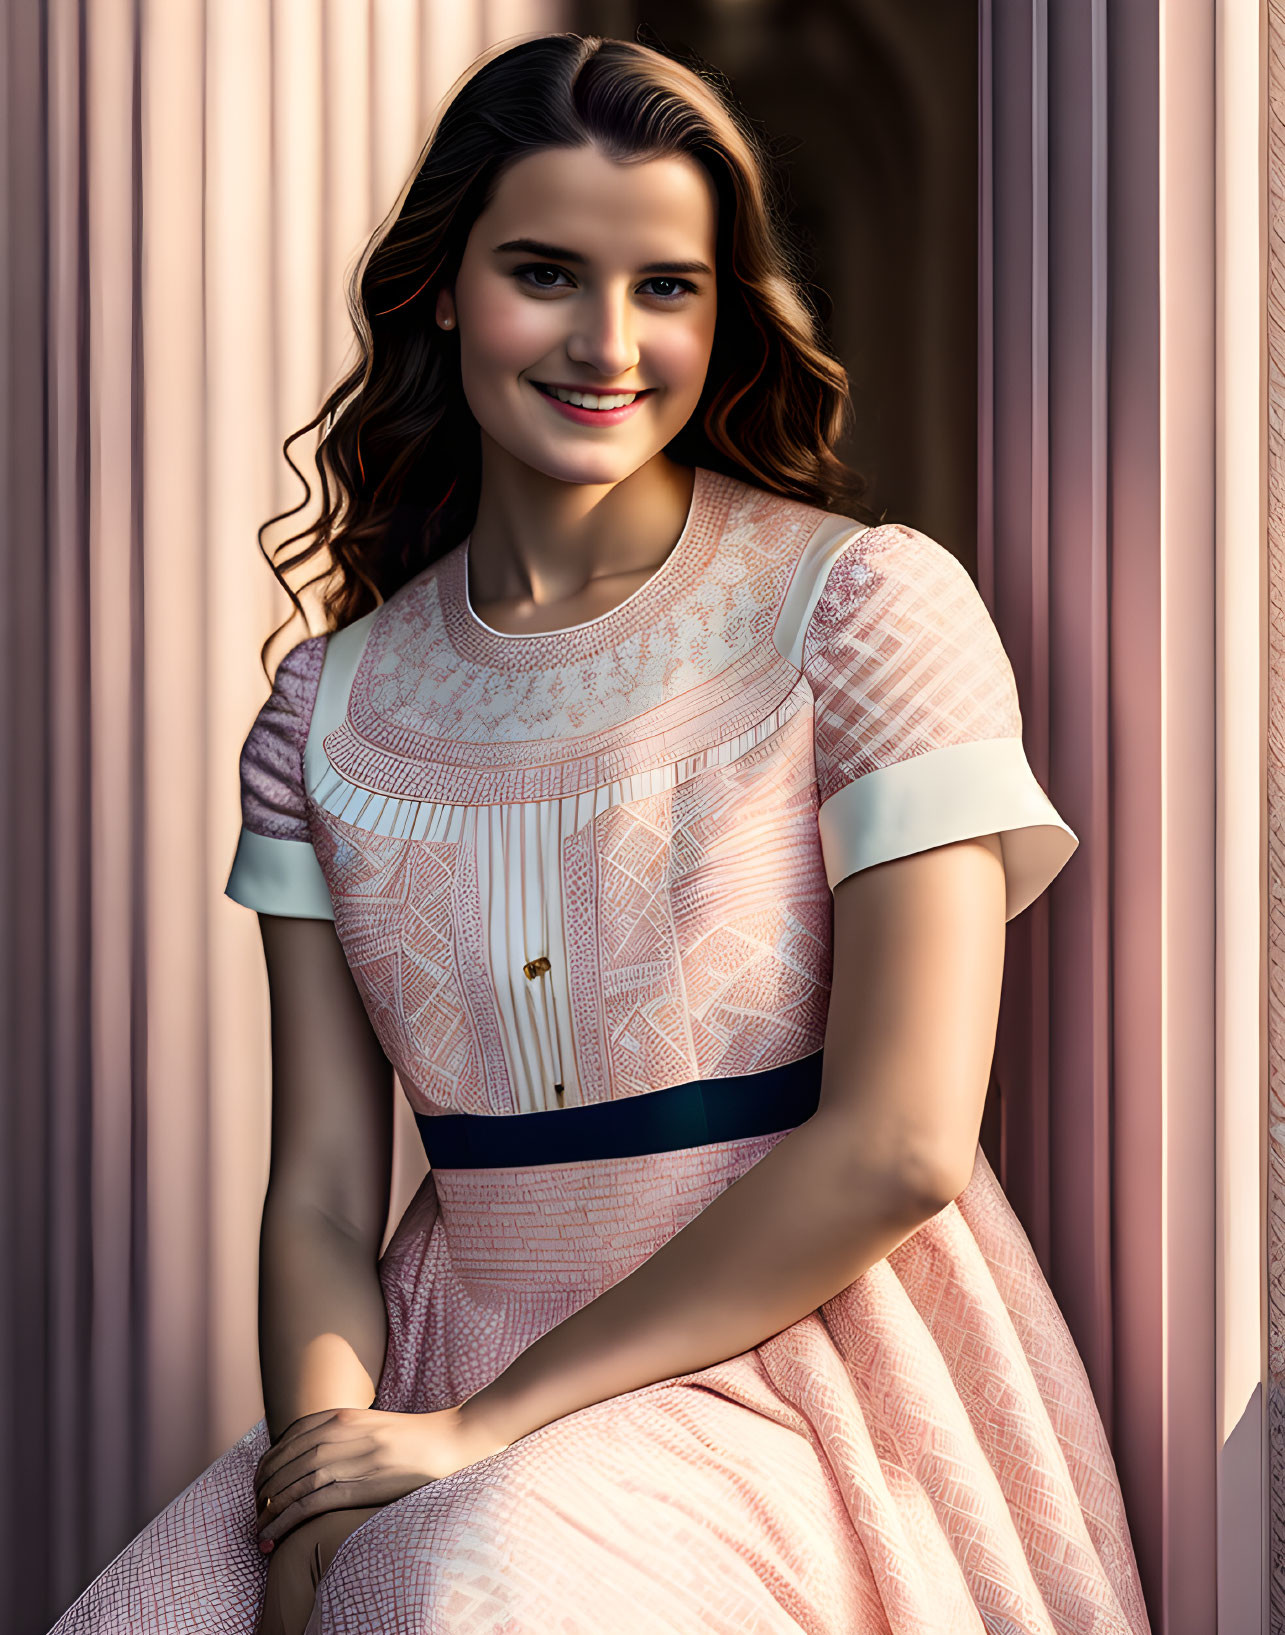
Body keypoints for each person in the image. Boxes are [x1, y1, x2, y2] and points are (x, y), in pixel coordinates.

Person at [48, 31, 1153, 1635]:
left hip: (792, 1377)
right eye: (546, 273)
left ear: (726, 310)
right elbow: (320, 1188)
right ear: (442, 288)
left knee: (463, 1583)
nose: (607, 341)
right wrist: (314, 1481)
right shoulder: (323, 715)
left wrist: (483, 1435)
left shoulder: (858, 610)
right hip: (432, 1368)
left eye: (667, 288)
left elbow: (903, 1144)